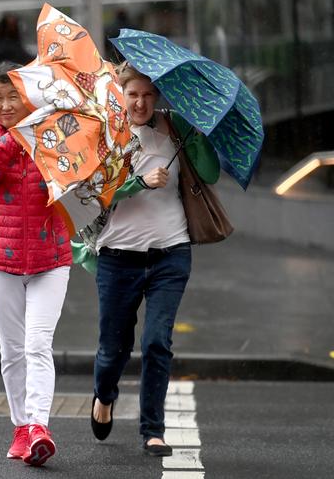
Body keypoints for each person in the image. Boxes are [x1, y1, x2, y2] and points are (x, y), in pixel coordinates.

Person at [89, 62, 217, 456]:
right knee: (114, 349)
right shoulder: (107, 133)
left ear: (157, 96)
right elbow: (96, 193)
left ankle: (153, 430)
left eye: (148, 95)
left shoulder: (177, 128)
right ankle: (104, 395)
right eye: (133, 95)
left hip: (170, 254)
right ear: (121, 96)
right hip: (117, 257)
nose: (140, 102)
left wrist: (197, 138)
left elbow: (209, 174)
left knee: (157, 341)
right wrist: (138, 182)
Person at [0, 61, 72, 467]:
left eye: (14, 95)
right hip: (1, 259)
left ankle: (39, 427)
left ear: (29, 96)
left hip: (52, 259)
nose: (6, 104)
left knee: (37, 344)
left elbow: (80, 178)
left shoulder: (55, 135)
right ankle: (20, 427)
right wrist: (18, 135)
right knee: (12, 350)